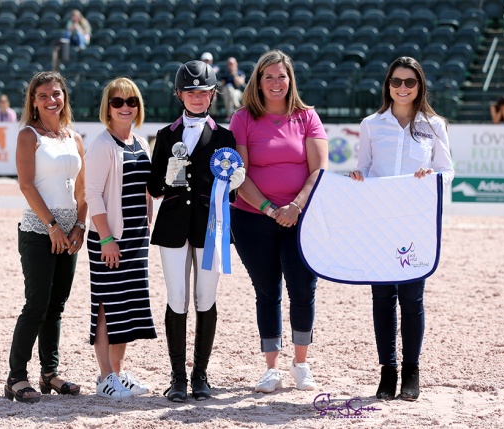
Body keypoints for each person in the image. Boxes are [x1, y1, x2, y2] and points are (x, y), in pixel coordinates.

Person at [349, 57, 455, 401]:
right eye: (397, 81)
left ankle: (412, 371)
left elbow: (447, 170)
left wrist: (432, 179)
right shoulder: (370, 124)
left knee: (412, 299)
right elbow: (364, 166)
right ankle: (387, 371)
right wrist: (359, 176)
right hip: (380, 223)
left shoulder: (435, 125)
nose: (403, 88)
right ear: (388, 85)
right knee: (382, 298)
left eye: (410, 82)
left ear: (419, 85)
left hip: (416, 223)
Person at [229, 50, 329, 394]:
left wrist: (296, 207)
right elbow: (238, 174)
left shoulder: (308, 116)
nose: (275, 83)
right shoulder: (241, 118)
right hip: (252, 218)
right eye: (268, 76)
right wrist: (272, 209)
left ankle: (301, 363)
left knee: (303, 289)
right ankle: (271, 368)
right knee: (267, 291)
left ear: (291, 80)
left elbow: (319, 170)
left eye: (281, 76)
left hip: (301, 219)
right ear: (257, 81)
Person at [147, 60, 245, 402]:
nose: (197, 98)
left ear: (213, 94)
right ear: (179, 95)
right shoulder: (165, 136)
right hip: (173, 227)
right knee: (177, 298)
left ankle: (200, 375)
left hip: (210, 226)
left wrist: (234, 180)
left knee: (206, 299)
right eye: (190, 92)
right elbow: (155, 187)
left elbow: (229, 192)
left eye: (203, 92)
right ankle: (176, 377)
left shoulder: (225, 136)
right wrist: (173, 167)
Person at [5, 71, 87, 403]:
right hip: (40, 230)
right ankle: (15, 377)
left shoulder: (75, 138)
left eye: (56, 93)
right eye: (43, 95)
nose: (51, 99)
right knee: (36, 304)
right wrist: (52, 225)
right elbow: (26, 185)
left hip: (70, 233)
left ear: (64, 96)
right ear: (33, 102)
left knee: (57, 306)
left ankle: (49, 373)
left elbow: (82, 190)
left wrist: (79, 226)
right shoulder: (28, 135)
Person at [85, 77, 157, 400]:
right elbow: (93, 195)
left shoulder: (141, 143)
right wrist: (106, 239)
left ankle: (118, 373)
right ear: (108, 108)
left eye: (131, 102)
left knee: (126, 307)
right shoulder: (101, 144)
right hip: (108, 239)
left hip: (136, 239)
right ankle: (104, 377)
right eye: (118, 102)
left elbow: (147, 188)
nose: (125, 107)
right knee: (106, 307)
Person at [220, 57, 246, 121]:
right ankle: (237, 105)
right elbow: (221, 85)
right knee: (228, 89)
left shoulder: (240, 72)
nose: (230, 65)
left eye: (232, 64)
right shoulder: (225, 73)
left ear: (236, 64)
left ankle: (229, 115)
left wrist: (234, 74)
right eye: (229, 64)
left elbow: (239, 83)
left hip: (237, 92)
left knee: (232, 92)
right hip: (226, 92)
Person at [201, 52, 220, 116]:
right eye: (205, 60)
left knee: (212, 97)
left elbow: (215, 70)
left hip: (214, 88)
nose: (206, 62)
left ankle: (213, 115)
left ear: (211, 61)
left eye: (208, 61)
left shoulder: (215, 67)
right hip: (203, 88)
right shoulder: (199, 69)